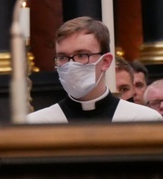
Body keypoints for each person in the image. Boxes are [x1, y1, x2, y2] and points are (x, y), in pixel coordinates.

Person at [27, 17, 161, 123]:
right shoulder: (37, 124)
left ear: (105, 62)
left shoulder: (143, 120)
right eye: (62, 57)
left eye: (81, 55)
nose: (71, 64)